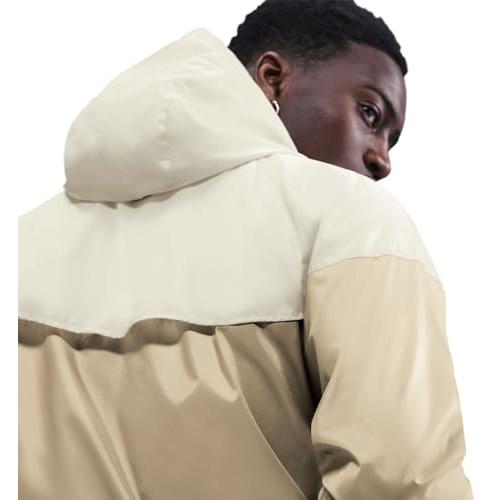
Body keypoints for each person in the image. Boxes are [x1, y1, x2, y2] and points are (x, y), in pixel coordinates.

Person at [18, 1, 474, 499]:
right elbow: (396, 478)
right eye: (370, 113)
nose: (382, 160)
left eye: (391, 140)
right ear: (273, 79)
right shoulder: (350, 221)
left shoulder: (26, 242)